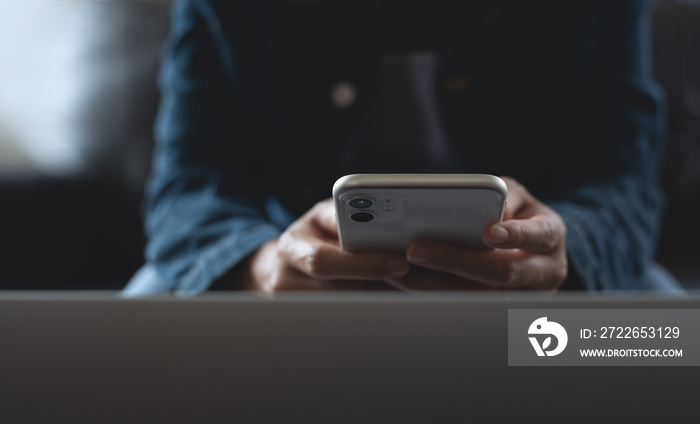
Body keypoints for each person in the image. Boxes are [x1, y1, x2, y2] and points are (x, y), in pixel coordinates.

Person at [124, 0, 668, 296]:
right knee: (143, 318)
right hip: (297, 275)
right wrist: (259, 268)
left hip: (531, 282)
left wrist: (564, 253)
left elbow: (621, 176)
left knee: (663, 342)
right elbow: (189, 181)